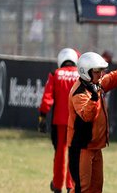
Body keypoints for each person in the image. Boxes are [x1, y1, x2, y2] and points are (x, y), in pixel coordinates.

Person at [67, 51, 117, 193]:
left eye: (101, 71)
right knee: (82, 188)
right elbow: (87, 116)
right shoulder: (79, 92)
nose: (100, 75)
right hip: (82, 148)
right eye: (97, 71)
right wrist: (94, 98)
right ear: (86, 72)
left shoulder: (96, 84)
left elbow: (113, 78)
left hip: (95, 146)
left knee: (96, 188)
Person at [38, 48, 80, 193]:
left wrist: (42, 116)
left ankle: (57, 185)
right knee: (74, 153)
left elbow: (47, 98)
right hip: (77, 122)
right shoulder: (80, 75)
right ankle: (71, 186)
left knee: (60, 154)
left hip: (59, 122)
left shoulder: (55, 74)